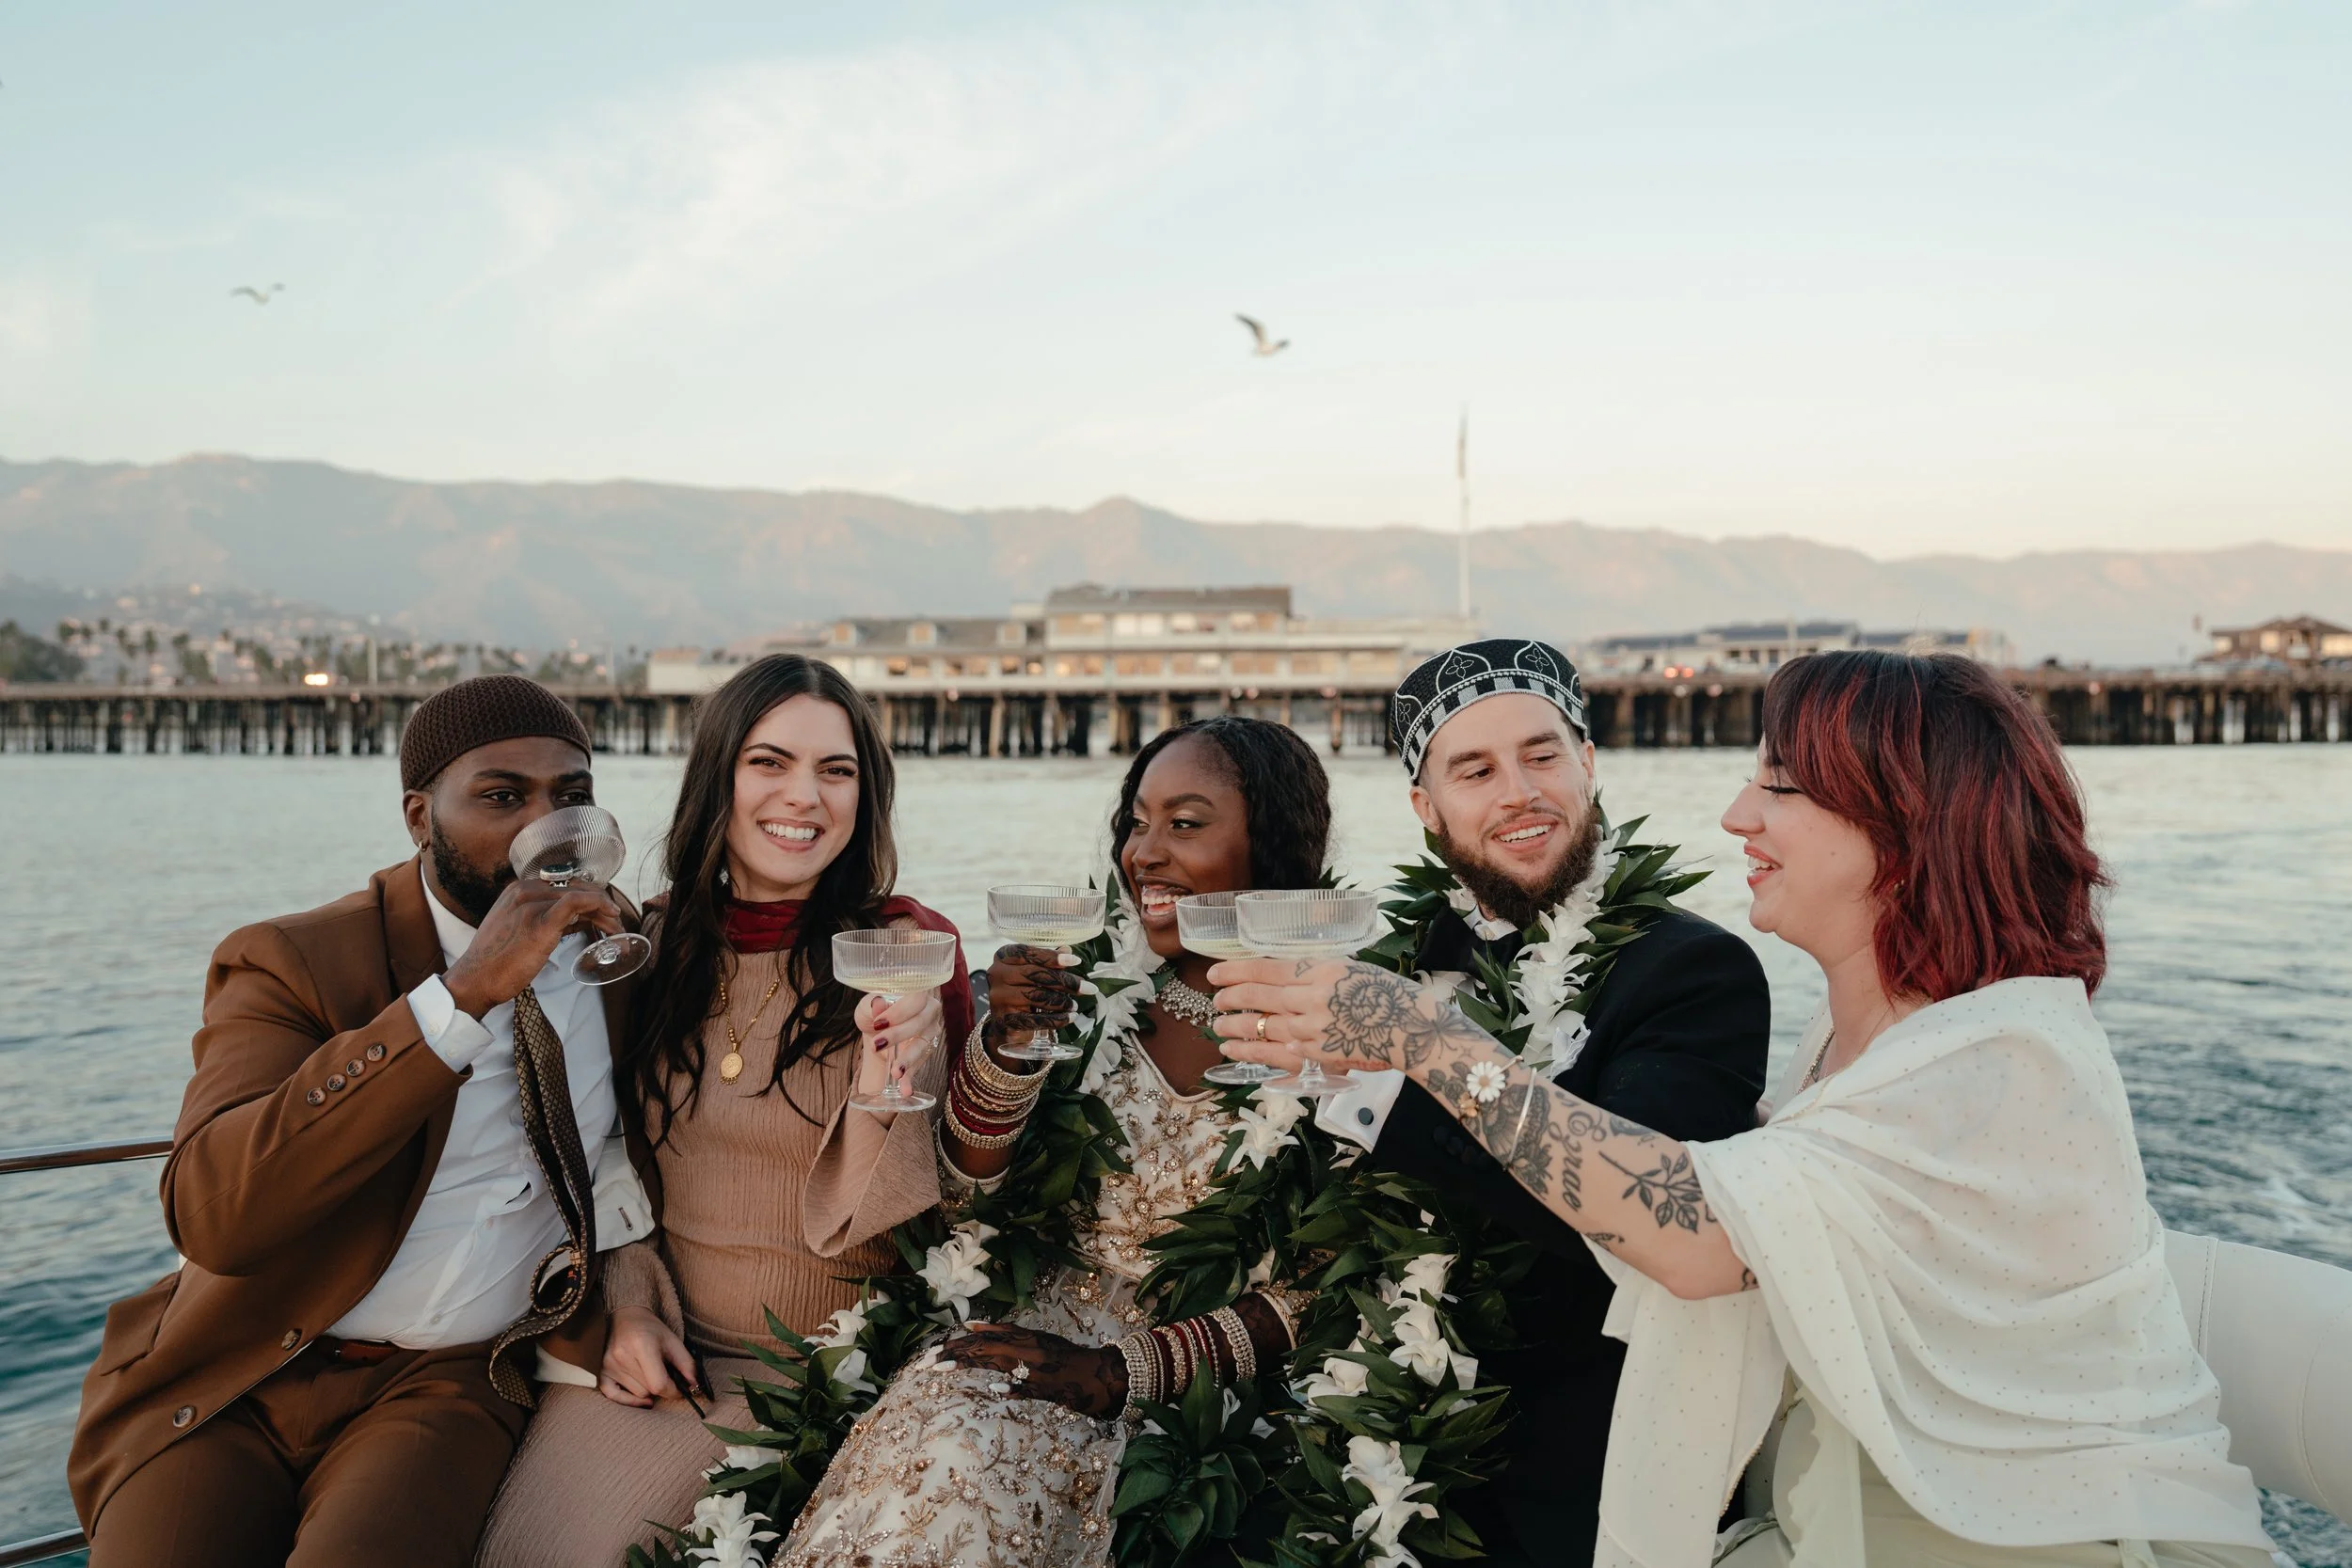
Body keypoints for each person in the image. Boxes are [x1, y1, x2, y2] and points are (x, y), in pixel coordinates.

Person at [1215, 650, 2278, 1568]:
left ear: (1901, 819)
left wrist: (1426, 1044)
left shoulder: (2001, 1053)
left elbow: (1699, 1234)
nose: (1735, 814)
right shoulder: (1858, 1043)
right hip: (1878, 1510)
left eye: (1779, 784)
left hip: (2054, 1538)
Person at [70, 675, 650, 1568]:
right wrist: (460, 998)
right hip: (245, 1360)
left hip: (448, 1379)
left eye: (570, 798)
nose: (547, 827)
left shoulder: (619, 956)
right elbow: (215, 1213)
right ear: (421, 817)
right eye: (502, 796)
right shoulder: (294, 959)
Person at [774, 715, 1329, 1568]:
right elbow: (967, 1196)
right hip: (1028, 1325)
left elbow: (1320, 1289)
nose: (1144, 852)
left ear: (1278, 843)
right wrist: (1005, 1046)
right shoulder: (1089, 988)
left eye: (1184, 823)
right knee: (947, 1429)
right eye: (1135, 822)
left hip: (1213, 1389)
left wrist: (1119, 1373)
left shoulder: (1339, 1023)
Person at [474, 654, 968, 1568]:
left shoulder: (904, 947)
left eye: (836, 770)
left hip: (841, 1364)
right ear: (719, 777)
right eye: (769, 761)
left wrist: (898, 1070)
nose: (804, 796)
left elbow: (945, 1196)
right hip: (664, 1354)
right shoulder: (647, 944)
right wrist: (624, 1305)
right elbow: (595, 1153)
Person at [1298, 636, 1770, 1567]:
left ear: (1587, 764)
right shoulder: (1399, 964)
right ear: (1427, 811)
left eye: (1542, 753)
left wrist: (1394, 1091)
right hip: (1380, 1438)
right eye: (1475, 769)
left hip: (1595, 1456)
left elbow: (1640, 1230)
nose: (1518, 789)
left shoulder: (1690, 971)